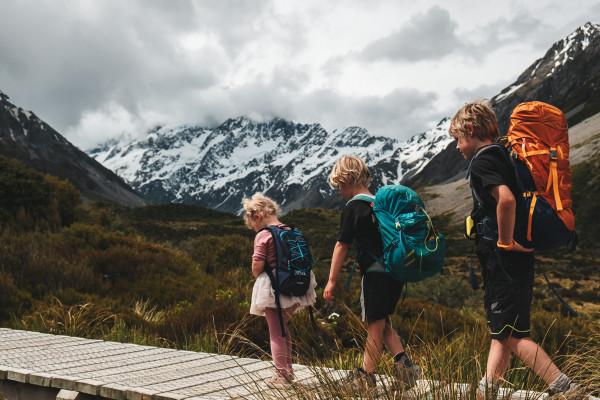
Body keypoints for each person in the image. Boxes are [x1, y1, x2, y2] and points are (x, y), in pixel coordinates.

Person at [449, 100, 589, 400]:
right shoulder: (503, 154)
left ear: (471, 131)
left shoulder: (484, 161)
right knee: (503, 330)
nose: (458, 147)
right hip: (519, 258)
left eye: (458, 139)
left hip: (504, 260)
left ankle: (565, 389)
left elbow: (507, 200)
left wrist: (504, 242)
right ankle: (488, 391)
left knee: (513, 336)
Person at [323, 155, 421, 395]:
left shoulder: (354, 207)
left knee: (374, 326)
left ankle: (365, 377)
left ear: (347, 179)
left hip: (375, 274)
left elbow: (341, 245)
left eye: (339, 186)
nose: (339, 192)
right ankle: (405, 366)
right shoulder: (382, 204)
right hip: (395, 273)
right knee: (383, 320)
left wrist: (332, 280)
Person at [243, 193, 317, 389]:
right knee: (284, 330)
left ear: (257, 217)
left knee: (276, 333)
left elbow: (257, 264)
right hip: (297, 284)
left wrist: (258, 276)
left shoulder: (264, 234)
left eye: (253, 226)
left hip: (276, 288)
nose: (255, 230)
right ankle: (288, 371)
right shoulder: (291, 230)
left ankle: (281, 376)